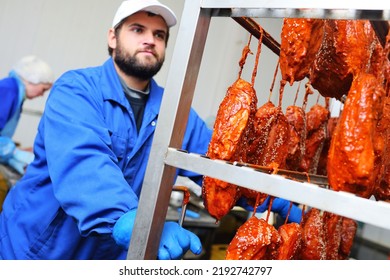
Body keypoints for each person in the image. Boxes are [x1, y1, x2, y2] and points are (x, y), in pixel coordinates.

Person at [0, 0, 301, 260]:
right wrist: (139, 223)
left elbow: (221, 171)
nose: (150, 40)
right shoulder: (76, 89)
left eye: (159, 35)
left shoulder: (175, 112)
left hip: (106, 256)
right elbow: (84, 163)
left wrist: (291, 202)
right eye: (137, 30)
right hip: (36, 250)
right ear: (113, 37)